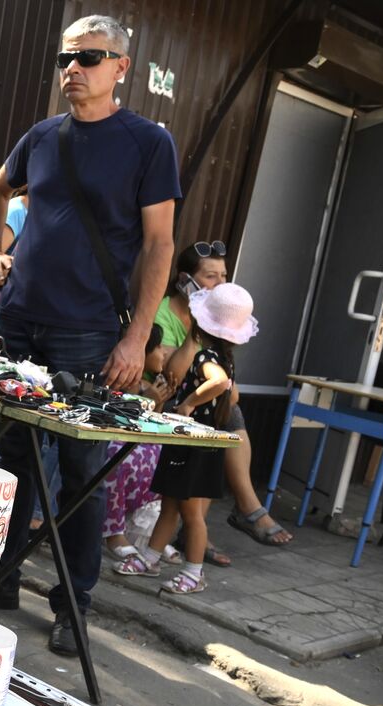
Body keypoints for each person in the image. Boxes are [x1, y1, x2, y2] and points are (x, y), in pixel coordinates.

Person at [0, 13, 179, 654]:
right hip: (18, 321)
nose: (73, 68)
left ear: (121, 68)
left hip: (90, 333)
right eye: (66, 57)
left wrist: (137, 336)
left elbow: (159, 245)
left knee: (80, 468)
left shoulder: (148, 143)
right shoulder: (42, 136)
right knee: (7, 459)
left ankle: (73, 604)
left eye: (90, 58)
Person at [117, 283, 258, 593]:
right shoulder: (223, 356)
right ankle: (150, 557)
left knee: (191, 513)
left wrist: (189, 403)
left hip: (198, 444)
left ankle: (194, 572)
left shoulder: (207, 356)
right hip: (190, 443)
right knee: (170, 503)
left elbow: (219, 383)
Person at [162, 242, 293, 554]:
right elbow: (171, 375)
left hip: (198, 412)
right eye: (210, 277)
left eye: (223, 276)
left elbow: (228, 389)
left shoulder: (218, 336)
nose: (219, 285)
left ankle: (201, 528)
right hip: (165, 401)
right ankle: (235, 513)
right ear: (185, 280)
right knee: (224, 416)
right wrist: (198, 328)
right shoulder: (166, 313)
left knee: (227, 414)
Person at [102, 325, 172, 560]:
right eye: (159, 347)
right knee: (115, 457)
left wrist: (156, 403)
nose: (163, 352)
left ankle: (147, 531)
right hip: (116, 441)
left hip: (142, 448)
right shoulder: (115, 384)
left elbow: (153, 429)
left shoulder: (148, 387)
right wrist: (147, 402)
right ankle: (113, 531)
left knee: (166, 459)